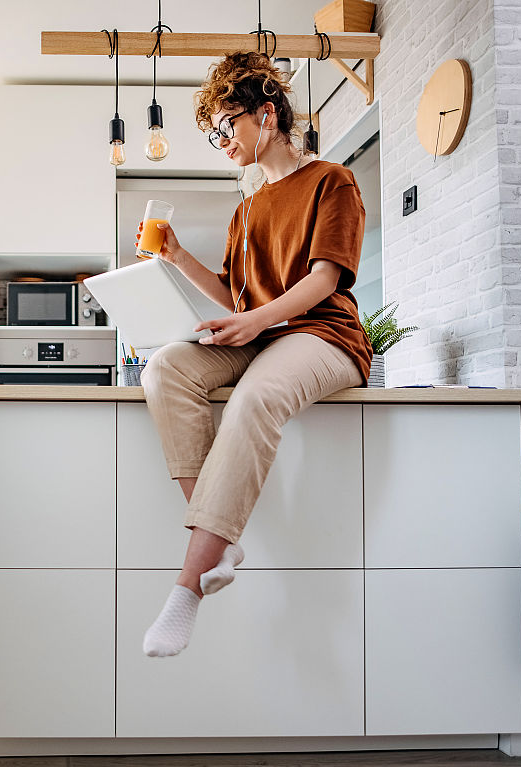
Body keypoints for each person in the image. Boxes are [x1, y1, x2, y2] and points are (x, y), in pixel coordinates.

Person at [136, 51, 373, 658]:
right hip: (264, 335)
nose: (219, 140)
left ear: (267, 117)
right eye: (212, 131)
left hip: (325, 336)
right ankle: (224, 543)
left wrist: (252, 324)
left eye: (225, 125)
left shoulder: (331, 181)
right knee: (166, 366)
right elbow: (234, 293)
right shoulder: (245, 209)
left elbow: (323, 280)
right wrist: (178, 260)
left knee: (255, 397)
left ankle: (187, 589)